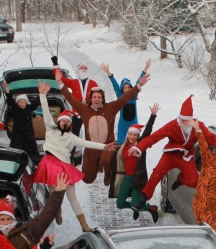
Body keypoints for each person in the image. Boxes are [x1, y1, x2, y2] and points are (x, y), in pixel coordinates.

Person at [34, 81, 116, 233]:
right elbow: (45, 111)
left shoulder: (72, 137)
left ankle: (83, 224)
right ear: (58, 122)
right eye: (62, 120)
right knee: (54, 195)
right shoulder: (50, 130)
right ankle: (56, 212)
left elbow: (88, 143)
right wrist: (42, 95)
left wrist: (105, 146)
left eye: (67, 121)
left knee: (72, 197)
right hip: (51, 165)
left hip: (65, 167)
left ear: (70, 124)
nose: (64, 122)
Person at [134, 96, 216, 205]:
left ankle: (180, 180)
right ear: (179, 117)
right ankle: (144, 196)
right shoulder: (172, 125)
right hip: (171, 153)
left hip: (186, 155)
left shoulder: (198, 126)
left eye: (187, 120)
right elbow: (156, 136)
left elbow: (211, 138)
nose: (185, 122)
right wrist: (138, 147)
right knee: (158, 172)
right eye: (183, 119)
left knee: (194, 181)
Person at [59, 72, 148, 187]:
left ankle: (108, 172)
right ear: (90, 98)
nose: (97, 99)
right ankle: (98, 163)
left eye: (99, 97)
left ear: (103, 98)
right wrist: (60, 83)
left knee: (106, 159)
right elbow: (70, 98)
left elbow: (125, 98)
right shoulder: (84, 109)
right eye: (94, 97)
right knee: (87, 179)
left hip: (108, 145)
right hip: (91, 147)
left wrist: (138, 86)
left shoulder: (110, 108)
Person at [114, 105, 159, 221]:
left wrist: (153, 115)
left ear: (138, 136)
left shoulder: (141, 146)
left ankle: (151, 208)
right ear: (127, 135)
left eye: (135, 135)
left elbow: (148, 131)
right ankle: (136, 208)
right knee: (119, 204)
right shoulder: (123, 147)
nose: (132, 137)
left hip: (138, 179)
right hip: (127, 178)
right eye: (130, 134)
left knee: (135, 205)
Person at [101, 60, 151, 142]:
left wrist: (146, 68)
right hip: (122, 124)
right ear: (122, 89)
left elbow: (139, 82)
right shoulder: (120, 96)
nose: (127, 89)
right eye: (125, 87)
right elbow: (114, 83)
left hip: (134, 123)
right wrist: (108, 72)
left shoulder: (134, 95)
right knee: (120, 143)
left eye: (128, 87)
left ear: (131, 88)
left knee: (136, 142)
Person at [51, 56, 98, 138]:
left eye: (85, 68)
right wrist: (55, 64)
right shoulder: (74, 82)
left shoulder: (93, 83)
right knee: (73, 135)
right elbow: (61, 78)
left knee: (91, 136)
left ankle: (91, 150)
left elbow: (98, 97)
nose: (83, 69)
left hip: (89, 112)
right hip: (77, 113)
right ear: (78, 70)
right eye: (81, 68)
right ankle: (71, 150)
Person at [1, 80, 40, 165]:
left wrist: (41, 93)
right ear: (17, 103)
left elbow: (37, 102)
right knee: (16, 156)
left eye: (23, 102)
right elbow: (10, 99)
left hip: (29, 136)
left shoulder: (29, 108)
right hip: (17, 137)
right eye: (20, 102)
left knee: (33, 156)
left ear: (26, 102)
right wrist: (7, 89)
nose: (22, 104)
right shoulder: (15, 109)